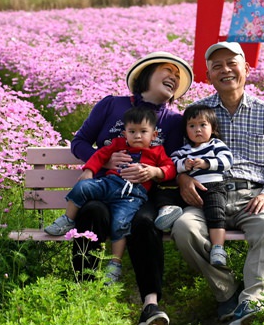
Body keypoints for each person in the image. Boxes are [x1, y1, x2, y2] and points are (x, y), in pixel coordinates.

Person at [172, 41, 264, 325]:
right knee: (183, 228)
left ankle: (253, 302)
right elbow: (177, 157)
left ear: (246, 68)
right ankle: (227, 293)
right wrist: (182, 177)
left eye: (232, 63)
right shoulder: (197, 113)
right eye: (217, 66)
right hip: (204, 196)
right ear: (208, 74)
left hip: (249, 196)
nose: (225, 70)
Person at [68, 51, 193, 325]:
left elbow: (174, 162)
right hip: (104, 187)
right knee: (91, 213)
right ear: (146, 74)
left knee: (144, 224)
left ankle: (150, 304)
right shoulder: (112, 105)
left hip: (141, 195)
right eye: (168, 70)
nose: (174, 77)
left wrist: (155, 172)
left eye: (178, 76)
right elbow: (80, 142)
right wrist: (104, 158)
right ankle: (84, 295)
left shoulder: (174, 121)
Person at [46, 105, 176, 284]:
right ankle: (68, 219)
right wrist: (89, 170)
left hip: (132, 194)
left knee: (120, 224)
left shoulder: (157, 151)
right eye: (132, 131)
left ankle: (115, 264)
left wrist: (155, 172)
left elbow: (170, 168)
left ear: (153, 135)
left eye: (143, 131)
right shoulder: (118, 145)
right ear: (124, 134)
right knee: (83, 187)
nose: (137, 136)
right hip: (108, 184)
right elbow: (100, 155)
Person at [169, 105, 233, 267]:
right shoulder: (183, 151)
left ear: (213, 128)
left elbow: (227, 161)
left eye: (203, 125)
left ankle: (218, 248)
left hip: (214, 187)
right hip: (192, 191)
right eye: (192, 126)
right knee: (169, 196)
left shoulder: (216, 145)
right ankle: (167, 212)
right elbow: (172, 165)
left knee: (216, 213)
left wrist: (206, 163)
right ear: (186, 130)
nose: (198, 129)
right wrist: (185, 165)